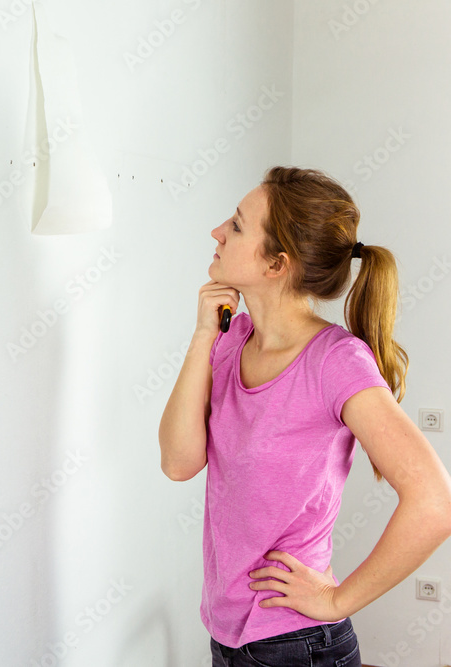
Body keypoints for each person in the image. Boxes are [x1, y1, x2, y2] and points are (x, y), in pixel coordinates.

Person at [157, 166, 451, 666]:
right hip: (227, 635)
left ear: (277, 264)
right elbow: (178, 462)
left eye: (237, 224)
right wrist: (203, 335)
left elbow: (435, 502)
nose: (217, 232)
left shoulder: (336, 362)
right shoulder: (232, 339)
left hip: (297, 645)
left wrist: (336, 601)